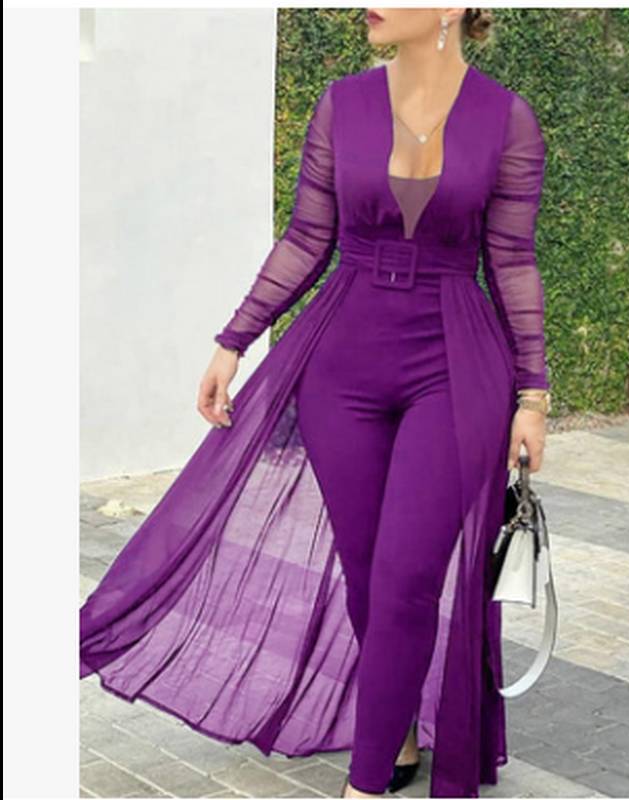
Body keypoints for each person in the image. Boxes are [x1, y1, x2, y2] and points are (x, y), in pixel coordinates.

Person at [80, 8, 551, 798]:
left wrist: (532, 394)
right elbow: (307, 237)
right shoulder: (342, 104)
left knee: (406, 577)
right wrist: (234, 340)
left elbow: (511, 259)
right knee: (368, 574)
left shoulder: (508, 120)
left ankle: (364, 786)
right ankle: (397, 730)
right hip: (343, 368)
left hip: (452, 366)